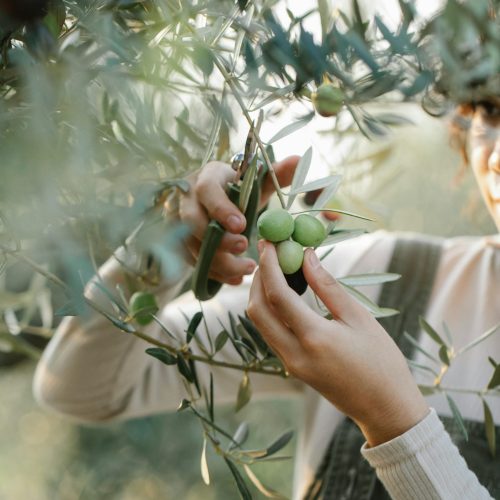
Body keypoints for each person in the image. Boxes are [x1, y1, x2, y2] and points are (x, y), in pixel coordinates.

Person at [32, 93, 500, 499]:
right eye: (490, 109)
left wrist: (393, 419)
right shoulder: (375, 280)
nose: (496, 154)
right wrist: (160, 253)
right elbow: (79, 391)